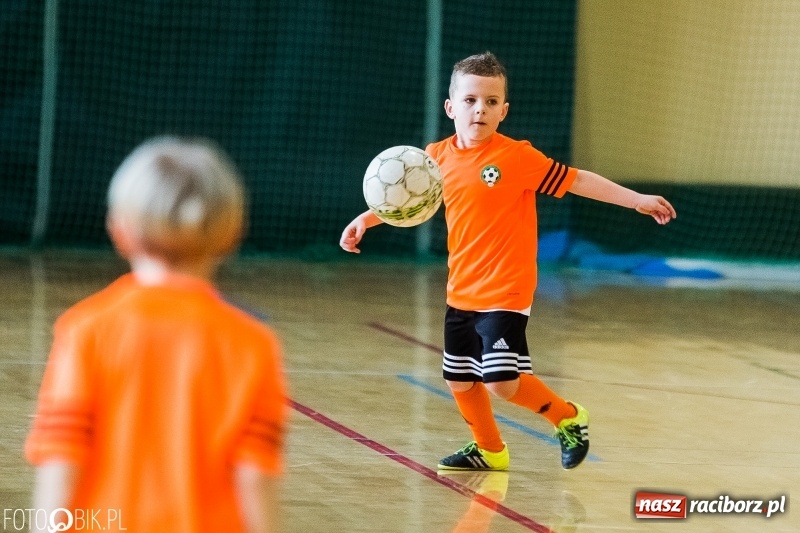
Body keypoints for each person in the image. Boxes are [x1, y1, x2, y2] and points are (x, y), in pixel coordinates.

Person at [340, 52, 676, 471]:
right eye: (470, 100)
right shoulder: (434, 158)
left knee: (500, 381)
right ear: (450, 107)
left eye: (491, 101)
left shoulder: (517, 157)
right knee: (459, 379)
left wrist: (636, 199)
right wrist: (367, 220)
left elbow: (577, 180)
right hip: (462, 288)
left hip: (506, 288)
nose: (480, 109)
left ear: (504, 111)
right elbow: (407, 200)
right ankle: (490, 451)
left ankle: (567, 418)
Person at [25, 137, 288, 532]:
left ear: (119, 231)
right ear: (233, 233)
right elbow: (254, 479)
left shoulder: (85, 330)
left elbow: (62, 462)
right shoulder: (253, 345)